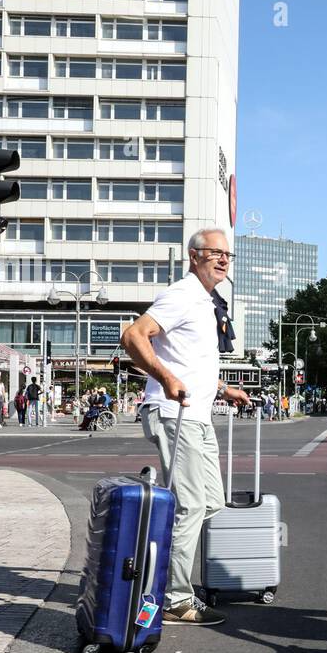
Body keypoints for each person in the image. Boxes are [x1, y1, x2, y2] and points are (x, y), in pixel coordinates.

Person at [122, 227, 251, 624]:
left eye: (227, 254)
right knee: (191, 505)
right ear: (195, 256)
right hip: (174, 413)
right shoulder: (182, 294)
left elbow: (188, 361)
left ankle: (152, 557)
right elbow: (134, 336)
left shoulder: (205, 301)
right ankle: (174, 597)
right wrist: (165, 379)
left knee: (210, 501)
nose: (224, 259)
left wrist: (223, 388)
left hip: (197, 416)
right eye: (215, 252)